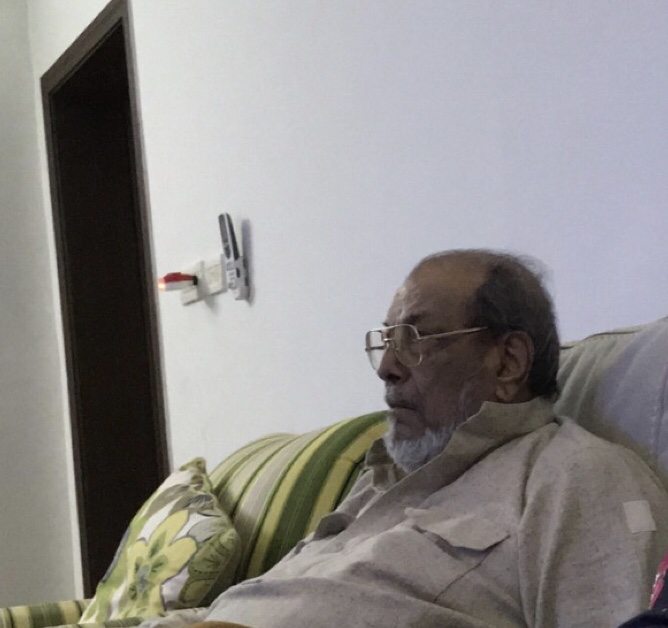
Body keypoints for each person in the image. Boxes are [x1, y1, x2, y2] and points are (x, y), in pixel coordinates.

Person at [149, 249, 668, 628]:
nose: (388, 368)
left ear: (508, 362)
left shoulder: (577, 474)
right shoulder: (380, 481)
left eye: (416, 339)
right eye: (387, 339)